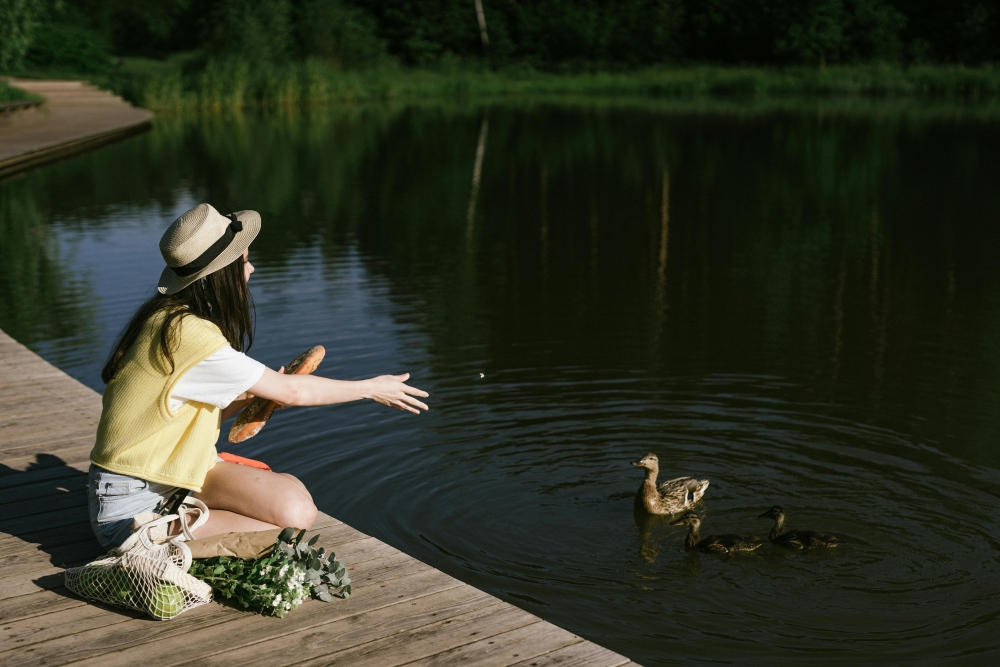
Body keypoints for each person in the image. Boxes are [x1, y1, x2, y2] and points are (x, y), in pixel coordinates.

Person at [88, 203, 429, 548]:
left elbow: (182, 418)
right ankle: (146, 540)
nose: (251, 268)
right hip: (133, 508)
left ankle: (185, 520)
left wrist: (249, 397)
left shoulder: (166, 318)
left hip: (167, 477)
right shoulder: (191, 335)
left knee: (292, 493)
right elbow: (291, 392)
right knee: (293, 518)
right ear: (221, 273)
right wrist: (372, 388)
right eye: (244, 261)